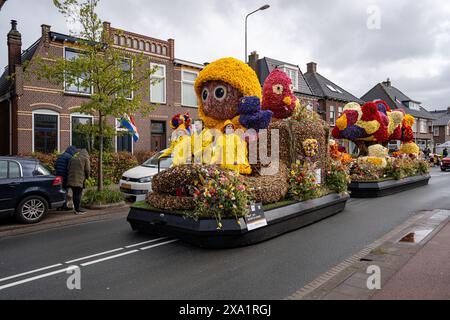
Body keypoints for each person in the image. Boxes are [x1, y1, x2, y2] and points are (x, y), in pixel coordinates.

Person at [67, 149, 91, 215]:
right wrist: (87, 177)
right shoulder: (85, 159)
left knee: (75, 194)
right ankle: (78, 210)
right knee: (78, 194)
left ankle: (76, 208)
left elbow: (68, 168)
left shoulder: (72, 159)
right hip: (79, 179)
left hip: (71, 179)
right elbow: (87, 170)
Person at [55, 145, 77, 210]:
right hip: (65, 176)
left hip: (58, 175)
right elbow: (70, 168)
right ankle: (64, 206)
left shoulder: (60, 156)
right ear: (72, 151)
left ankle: (58, 206)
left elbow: (55, 165)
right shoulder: (70, 157)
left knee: (59, 190)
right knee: (65, 190)